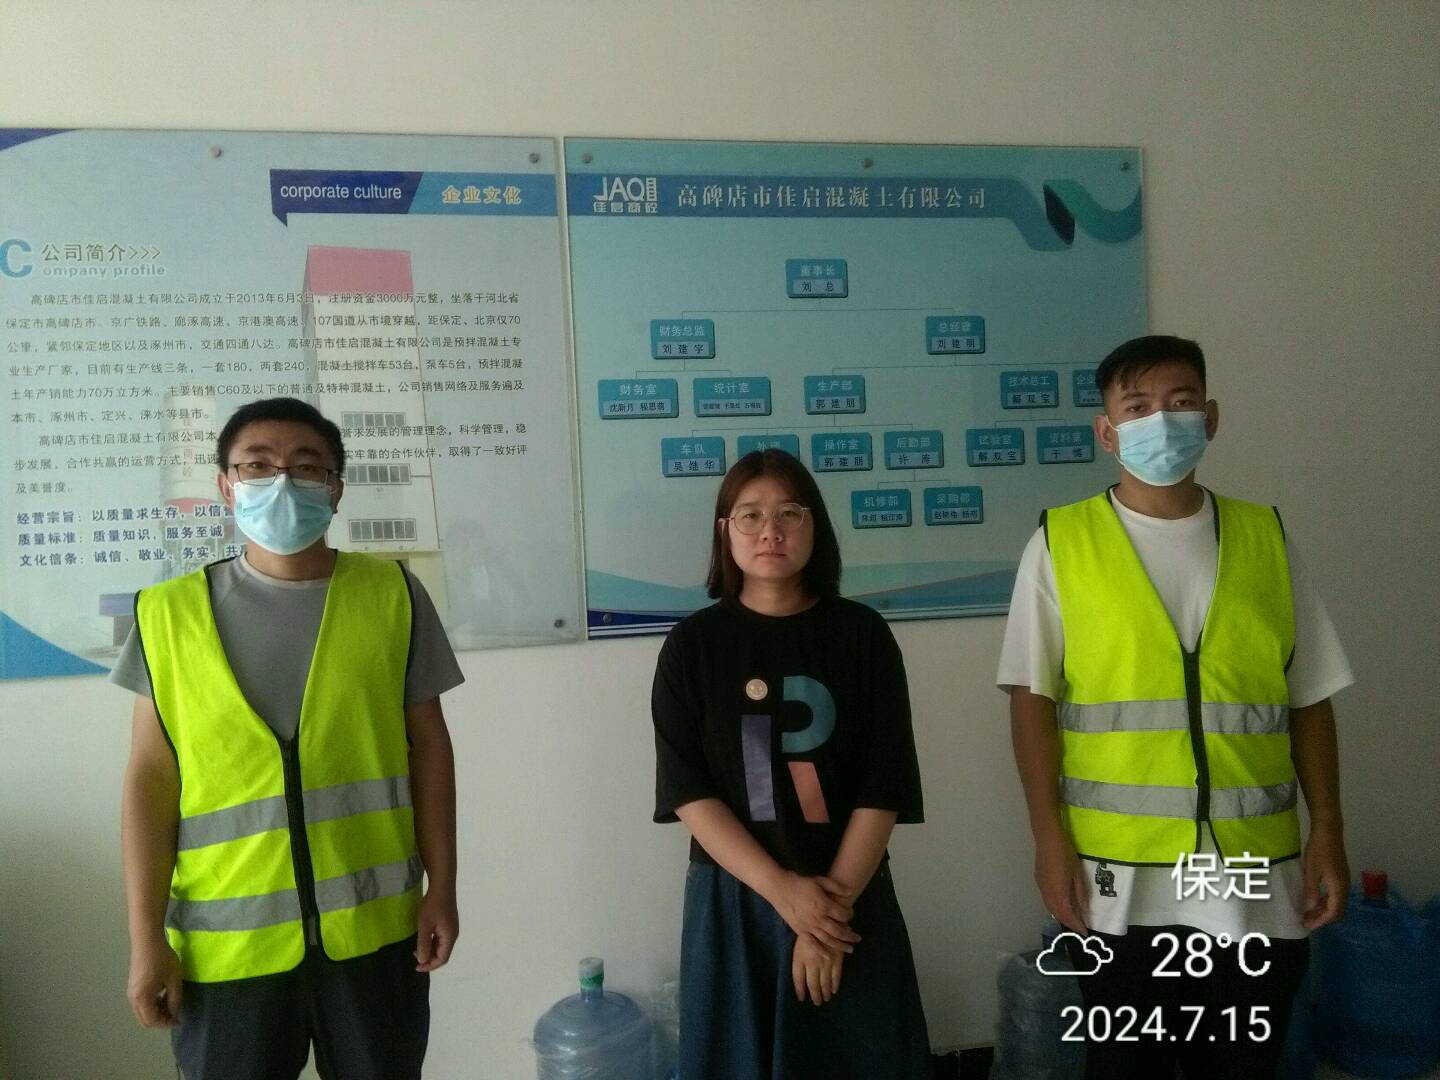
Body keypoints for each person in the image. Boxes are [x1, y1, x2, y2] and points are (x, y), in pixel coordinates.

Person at [999, 335, 1353, 1079]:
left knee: (1245, 1063)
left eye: (1180, 402)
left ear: (1211, 417)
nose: (1160, 420)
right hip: (1120, 878)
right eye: (1137, 406)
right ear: (1107, 431)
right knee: (1128, 1066)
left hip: (1252, 874)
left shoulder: (1266, 537)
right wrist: (1047, 837)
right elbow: (1031, 702)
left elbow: (1308, 698)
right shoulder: (1062, 543)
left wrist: (1329, 828)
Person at [115, 397, 462, 1079]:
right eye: (258, 465)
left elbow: (430, 750)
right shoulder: (167, 615)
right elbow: (150, 782)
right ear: (226, 485)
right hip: (226, 952)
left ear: (335, 489)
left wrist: (443, 886)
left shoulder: (392, 595)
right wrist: (144, 938)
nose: (282, 482)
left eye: (307, 467)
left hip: (373, 936)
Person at [651, 448, 931, 1080]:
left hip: (849, 892)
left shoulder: (864, 635)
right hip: (737, 902)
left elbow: (884, 782)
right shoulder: (691, 646)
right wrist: (784, 895)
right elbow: (688, 790)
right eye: (749, 515)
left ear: (815, 526)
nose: (770, 531)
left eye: (789, 513)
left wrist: (825, 919)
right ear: (725, 532)